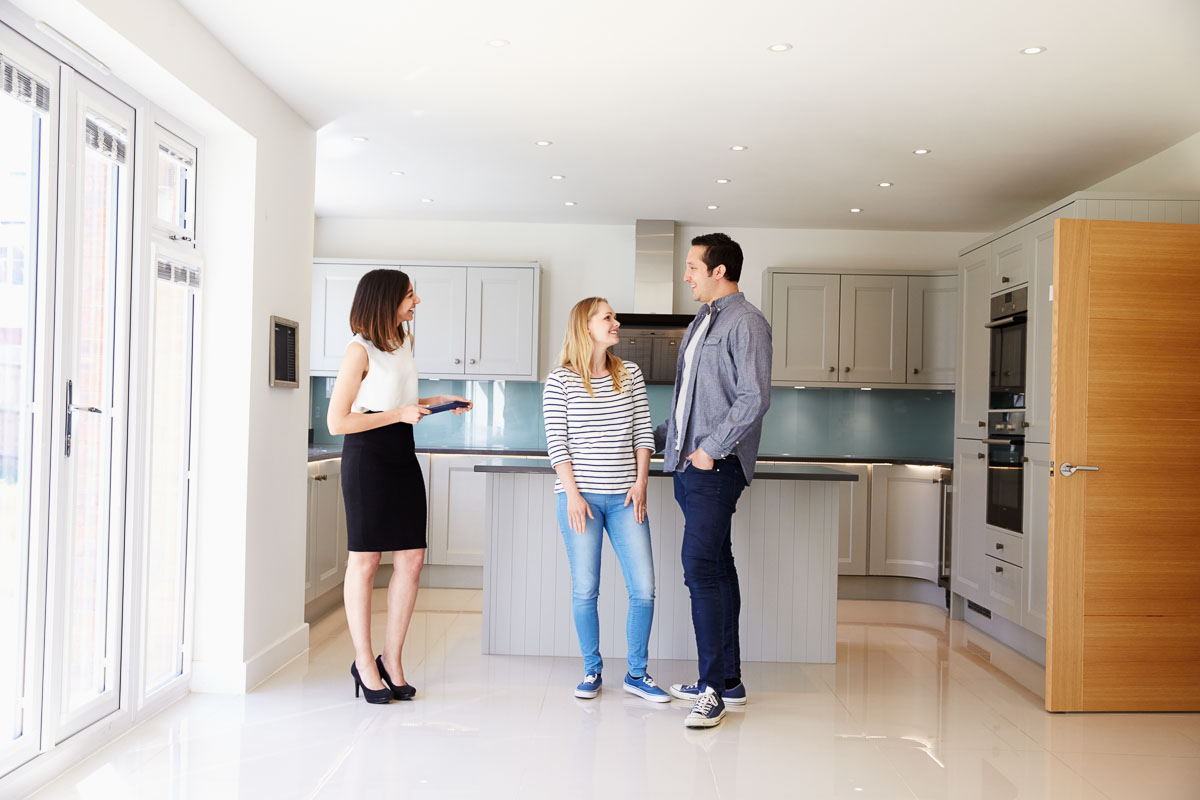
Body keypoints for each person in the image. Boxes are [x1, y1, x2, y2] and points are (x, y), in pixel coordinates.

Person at [327, 268, 472, 704]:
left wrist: (437, 400)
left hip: (401, 453)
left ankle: (392, 658)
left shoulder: (403, 342)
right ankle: (364, 661)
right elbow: (339, 421)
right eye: (410, 295)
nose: (417, 302)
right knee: (366, 560)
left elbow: (398, 400)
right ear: (386, 299)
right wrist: (400, 414)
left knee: (412, 557)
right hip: (367, 456)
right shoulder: (358, 350)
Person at [654, 233, 772, 729]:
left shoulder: (747, 322)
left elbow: (754, 397)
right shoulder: (702, 322)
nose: (686, 276)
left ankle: (711, 691)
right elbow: (688, 401)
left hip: (715, 467)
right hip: (688, 465)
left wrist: (708, 450)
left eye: (693, 267)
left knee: (698, 568)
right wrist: (655, 437)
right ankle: (729, 682)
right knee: (718, 568)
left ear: (718, 271)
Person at [542, 297, 669, 703]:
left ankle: (637, 674)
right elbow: (557, 444)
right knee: (586, 589)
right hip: (581, 500)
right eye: (608, 317)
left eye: (614, 316)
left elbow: (643, 434)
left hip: (626, 498)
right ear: (587, 326)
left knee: (645, 589)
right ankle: (592, 671)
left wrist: (642, 481)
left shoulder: (629, 374)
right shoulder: (559, 380)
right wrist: (574, 496)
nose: (617, 322)